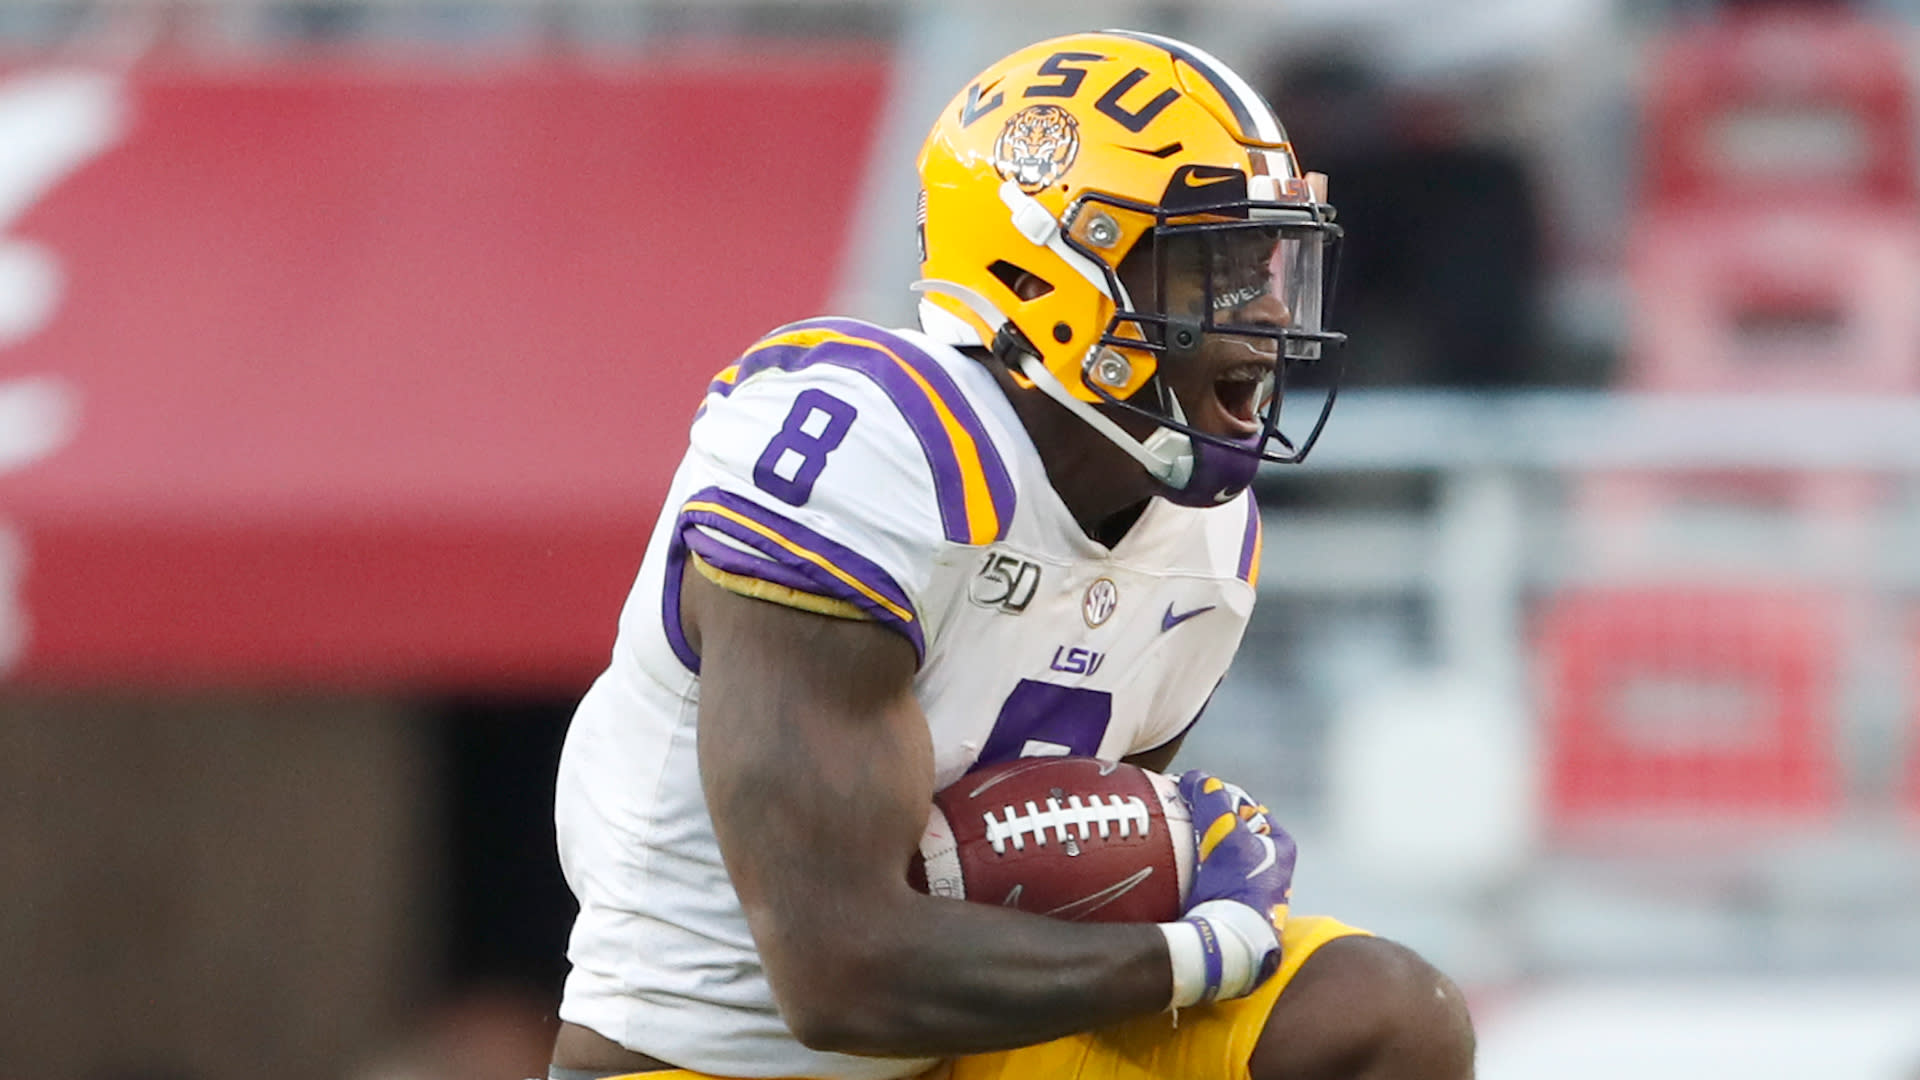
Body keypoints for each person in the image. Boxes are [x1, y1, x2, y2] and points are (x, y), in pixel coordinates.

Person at [549, 29, 1474, 1080]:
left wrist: (1160, 861)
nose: (1263, 313)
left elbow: (1057, 858)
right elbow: (838, 972)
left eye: (1265, 265)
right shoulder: (870, 452)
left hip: (956, 1049)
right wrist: (1197, 946)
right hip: (715, 1055)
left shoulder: (1207, 529)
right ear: (1050, 267)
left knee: (1384, 1016)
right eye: (1211, 269)